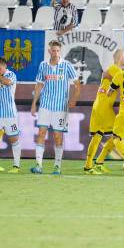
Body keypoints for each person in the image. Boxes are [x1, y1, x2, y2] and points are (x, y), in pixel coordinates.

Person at [31, 40, 81, 175]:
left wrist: (73, 100)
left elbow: (77, 83)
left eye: (58, 51)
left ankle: (57, 166)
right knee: (41, 133)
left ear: (60, 51)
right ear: (49, 51)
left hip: (60, 107)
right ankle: (38, 165)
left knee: (58, 136)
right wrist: (34, 104)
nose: (56, 53)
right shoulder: (43, 65)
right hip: (45, 105)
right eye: (53, 50)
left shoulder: (66, 65)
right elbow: (39, 85)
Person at [84, 49, 124, 175]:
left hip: (98, 104)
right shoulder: (117, 70)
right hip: (104, 107)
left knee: (97, 136)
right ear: (120, 57)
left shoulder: (112, 69)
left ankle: (90, 165)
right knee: (117, 134)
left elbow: (105, 74)